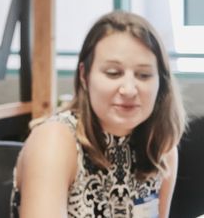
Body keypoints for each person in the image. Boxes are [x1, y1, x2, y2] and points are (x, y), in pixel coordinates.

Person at [11, 11, 187, 217]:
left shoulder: (161, 147)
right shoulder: (54, 140)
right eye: (113, 73)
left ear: (161, 83)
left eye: (144, 75)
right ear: (84, 76)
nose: (129, 89)